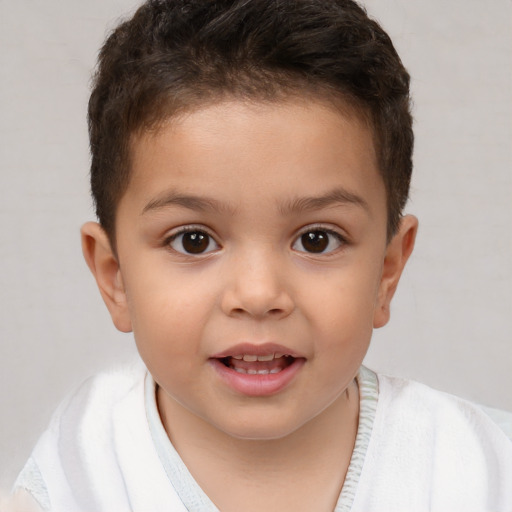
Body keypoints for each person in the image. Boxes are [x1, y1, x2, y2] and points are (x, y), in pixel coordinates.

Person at [10, 0, 512, 510]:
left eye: (317, 239)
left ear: (387, 271)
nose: (257, 294)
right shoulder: (80, 472)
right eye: (194, 240)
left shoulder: (477, 467)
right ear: (114, 277)